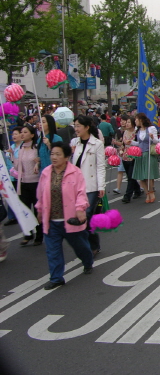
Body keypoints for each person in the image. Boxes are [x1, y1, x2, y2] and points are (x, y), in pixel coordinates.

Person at [35, 142, 94, 290]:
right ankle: (56, 278)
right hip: (52, 220)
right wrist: (40, 210)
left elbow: (81, 193)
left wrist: (80, 209)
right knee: (53, 251)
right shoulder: (46, 172)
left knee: (80, 247)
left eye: (58, 154)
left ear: (66, 157)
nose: (54, 157)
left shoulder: (75, 172)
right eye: (52, 154)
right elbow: (41, 194)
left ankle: (88, 262)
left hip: (71, 220)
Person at [71, 115, 106, 256]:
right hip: (75, 186)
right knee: (82, 218)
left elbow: (101, 166)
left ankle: (92, 246)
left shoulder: (97, 144)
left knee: (86, 216)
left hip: (91, 186)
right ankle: (91, 243)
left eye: (79, 126)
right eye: (75, 125)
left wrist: (101, 186)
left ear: (87, 127)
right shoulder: (74, 143)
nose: (76, 128)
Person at [17, 124, 42, 245]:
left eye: (25, 132)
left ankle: (39, 235)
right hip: (23, 182)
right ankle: (27, 234)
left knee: (37, 210)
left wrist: (38, 163)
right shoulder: (20, 148)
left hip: (35, 182)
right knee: (25, 209)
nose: (22, 134)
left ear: (32, 135)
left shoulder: (36, 147)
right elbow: (17, 166)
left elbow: (41, 161)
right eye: (21, 132)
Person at [131, 113, 159, 203]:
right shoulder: (137, 130)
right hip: (140, 154)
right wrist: (130, 142)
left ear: (141, 120)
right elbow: (138, 143)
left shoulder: (151, 128)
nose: (135, 121)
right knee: (140, 176)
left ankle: (151, 192)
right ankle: (147, 193)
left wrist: (152, 137)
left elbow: (156, 141)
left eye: (136, 119)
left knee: (148, 175)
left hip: (148, 154)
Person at [115, 117, 142, 203]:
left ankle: (127, 196)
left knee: (130, 176)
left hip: (133, 156)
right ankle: (137, 190)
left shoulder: (137, 133)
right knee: (130, 176)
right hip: (125, 156)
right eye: (126, 122)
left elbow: (139, 144)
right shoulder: (125, 132)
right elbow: (123, 144)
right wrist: (121, 150)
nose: (127, 124)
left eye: (129, 122)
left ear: (133, 123)